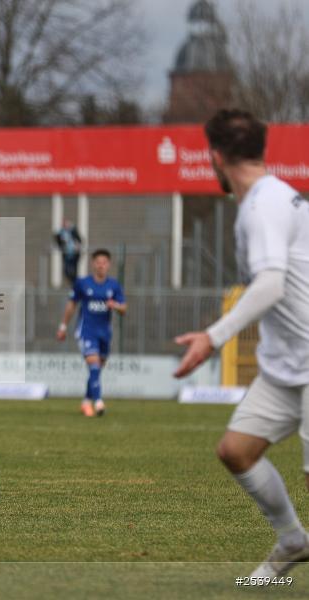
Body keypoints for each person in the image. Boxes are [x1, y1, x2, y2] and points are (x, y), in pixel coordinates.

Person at [174, 109, 309, 578]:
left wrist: (212, 338)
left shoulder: (263, 205)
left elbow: (271, 284)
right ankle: (293, 540)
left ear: (215, 157)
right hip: (288, 364)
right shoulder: (268, 198)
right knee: (236, 450)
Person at [56, 249, 127, 417]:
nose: (101, 265)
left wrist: (115, 306)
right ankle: (98, 402)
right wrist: (63, 327)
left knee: (97, 369)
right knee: (93, 365)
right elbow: (71, 305)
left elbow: (124, 308)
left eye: (104, 262)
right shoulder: (83, 283)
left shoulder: (114, 285)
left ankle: (86, 402)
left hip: (105, 333)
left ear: (108, 265)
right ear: (93, 264)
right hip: (86, 331)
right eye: (98, 262)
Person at [55, 218, 83, 287]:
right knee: (66, 270)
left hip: (74, 254)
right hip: (66, 254)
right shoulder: (60, 233)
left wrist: (77, 245)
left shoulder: (73, 231)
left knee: (74, 270)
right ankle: (73, 284)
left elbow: (79, 240)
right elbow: (59, 242)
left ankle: (75, 284)